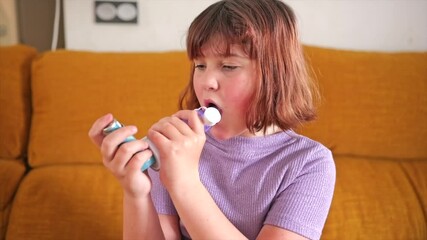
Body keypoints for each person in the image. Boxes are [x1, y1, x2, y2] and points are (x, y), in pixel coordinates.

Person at [89, 0, 336, 239]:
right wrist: (136, 193)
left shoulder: (309, 163)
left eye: (228, 66)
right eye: (200, 65)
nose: (207, 82)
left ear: (275, 75)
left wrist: (185, 182)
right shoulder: (175, 146)